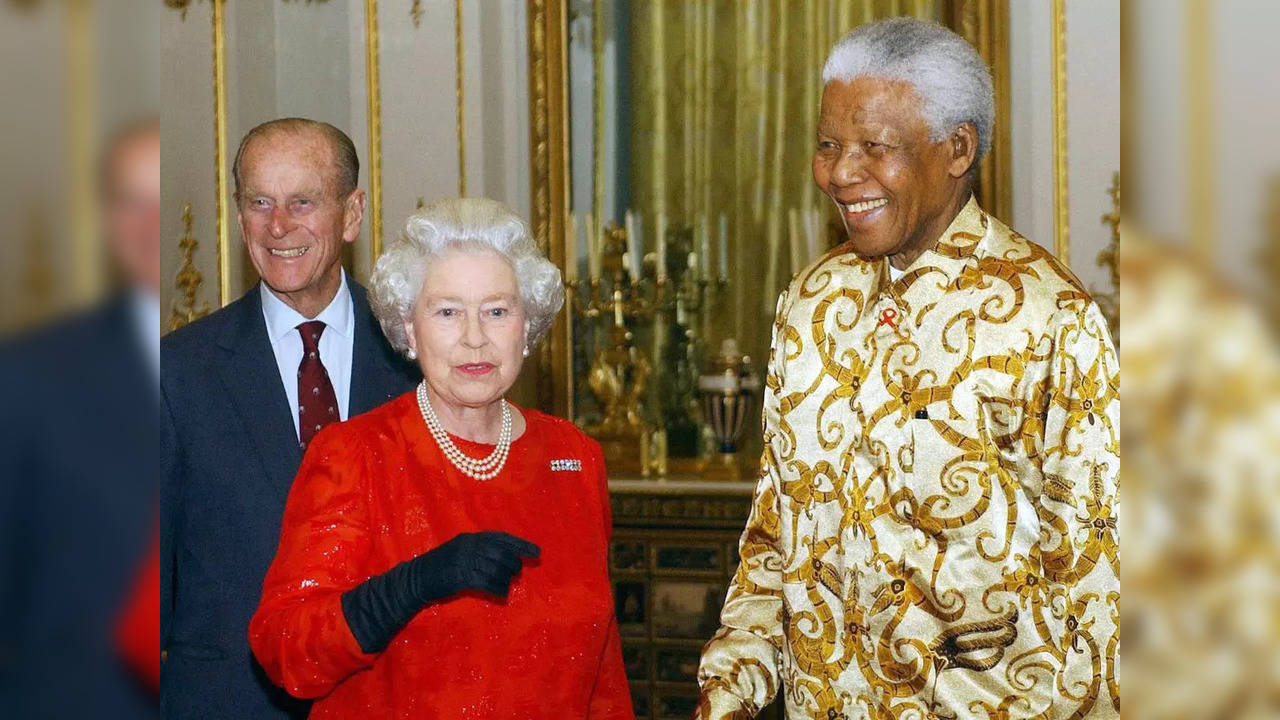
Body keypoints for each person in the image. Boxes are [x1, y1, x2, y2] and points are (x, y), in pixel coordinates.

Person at [695, 18, 1119, 720]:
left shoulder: (1049, 317)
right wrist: (731, 688)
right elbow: (773, 537)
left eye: (874, 147)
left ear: (957, 149)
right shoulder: (808, 303)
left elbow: (1099, 590)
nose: (839, 172)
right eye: (828, 145)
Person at [248, 198, 633, 719]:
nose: (475, 338)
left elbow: (603, 676)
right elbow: (287, 652)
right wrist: (412, 585)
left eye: (497, 311)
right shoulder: (355, 455)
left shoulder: (574, 457)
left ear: (528, 328)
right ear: (411, 329)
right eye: (448, 312)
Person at [160, 118, 419, 718]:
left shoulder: (418, 360)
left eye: (303, 201)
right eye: (260, 203)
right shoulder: (177, 373)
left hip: (390, 701)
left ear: (351, 214)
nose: (279, 226)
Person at [0, 118, 161, 720]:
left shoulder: (242, 357)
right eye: (131, 202)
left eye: (163, 201)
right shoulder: (30, 375)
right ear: (105, 222)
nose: (150, 225)